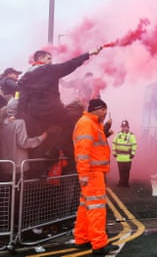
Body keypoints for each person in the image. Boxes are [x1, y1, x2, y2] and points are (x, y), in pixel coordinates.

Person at [17, 47, 102, 161]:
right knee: (69, 127)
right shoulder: (48, 69)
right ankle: (55, 149)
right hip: (53, 110)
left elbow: (23, 99)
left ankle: (38, 171)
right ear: (40, 58)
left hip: (35, 113)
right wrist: (88, 53)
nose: (51, 61)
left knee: (40, 138)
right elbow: (70, 65)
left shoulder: (24, 77)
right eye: (49, 58)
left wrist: (19, 116)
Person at [72, 98, 118, 255]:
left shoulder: (92, 123)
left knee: (85, 207)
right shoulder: (87, 123)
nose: (105, 112)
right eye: (103, 109)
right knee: (97, 208)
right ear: (96, 109)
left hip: (92, 172)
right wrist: (83, 174)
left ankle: (82, 239)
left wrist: (105, 131)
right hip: (92, 173)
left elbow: (93, 146)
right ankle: (99, 245)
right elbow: (83, 151)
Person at [0, 98, 48, 181]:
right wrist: (41, 138)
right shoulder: (20, 123)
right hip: (19, 166)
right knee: (19, 191)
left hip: (5, 165)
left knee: (8, 191)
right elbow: (24, 143)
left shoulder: (2, 123)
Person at [112, 120, 137, 187]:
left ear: (128, 127)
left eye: (125, 127)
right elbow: (114, 144)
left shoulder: (131, 135)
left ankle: (126, 183)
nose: (124, 128)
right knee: (121, 171)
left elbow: (134, 145)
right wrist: (114, 152)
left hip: (128, 157)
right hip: (119, 157)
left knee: (127, 171)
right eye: (123, 127)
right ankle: (121, 182)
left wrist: (133, 153)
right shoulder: (118, 135)